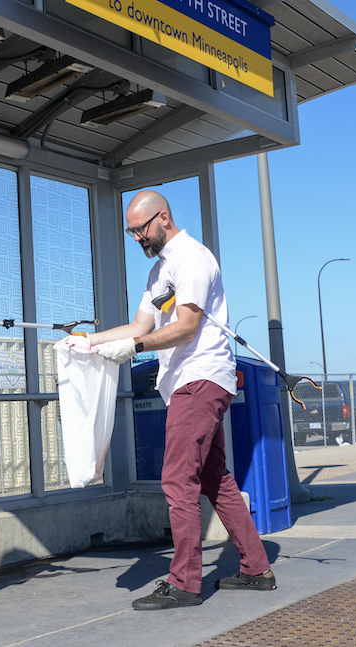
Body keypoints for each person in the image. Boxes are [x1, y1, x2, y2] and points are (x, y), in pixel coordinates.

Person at [74, 190, 275, 611]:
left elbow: (185, 327)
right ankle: (257, 568)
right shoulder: (159, 273)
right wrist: (88, 341)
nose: (135, 238)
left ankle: (185, 583)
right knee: (212, 478)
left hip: (199, 380)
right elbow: (139, 325)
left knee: (176, 479)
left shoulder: (193, 259)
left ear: (162, 218)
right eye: (131, 231)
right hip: (185, 383)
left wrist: (136, 347)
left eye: (139, 229)